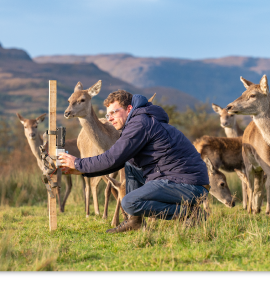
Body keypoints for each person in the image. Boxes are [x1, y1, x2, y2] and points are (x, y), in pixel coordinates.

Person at [55, 90, 211, 233]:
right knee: (130, 164)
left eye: (114, 113)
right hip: (176, 178)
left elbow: (111, 157)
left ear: (129, 110)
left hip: (189, 185)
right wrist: (79, 170)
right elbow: (117, 162)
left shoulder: (140, 124)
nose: (109, 118)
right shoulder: (139, 121)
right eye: (108, 114)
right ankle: (134, 221)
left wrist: (78, 163)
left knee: (129, 202)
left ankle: (192, 214)